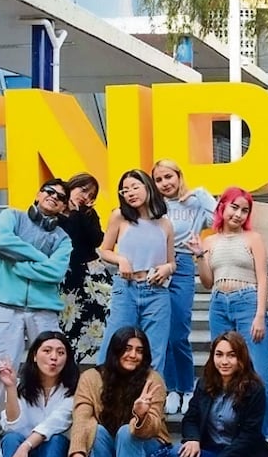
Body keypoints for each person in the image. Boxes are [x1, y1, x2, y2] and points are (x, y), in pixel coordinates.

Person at [0, 178, 71, 443]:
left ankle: (47, 416)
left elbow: (56, 271)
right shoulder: (12, 217)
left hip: (44, 307)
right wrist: (41, 257)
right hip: (7, 303)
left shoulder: (62, 238)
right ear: (39, 193)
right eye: (50, 191)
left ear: (64, 207)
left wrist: (21, 265)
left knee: (52, 364)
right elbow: (2, 243)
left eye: (61, 197)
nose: (54, 197)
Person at [187, 186, 268, 444]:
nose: (238, 214)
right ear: (222, 207)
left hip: (247, 300)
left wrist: (260, 315)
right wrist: (199, 256)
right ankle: (232, 429)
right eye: (234, 207)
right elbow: (206, 281)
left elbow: (262, 278)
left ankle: (265, 432)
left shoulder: (253, 239)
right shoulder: (210, 241)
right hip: (218, 303)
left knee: (259, 371)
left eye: (244, 210)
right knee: (225, 369)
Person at [68, 327, 171, 457]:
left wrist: (141, 415)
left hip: (147, 448)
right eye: (127, 348)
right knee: (94, 429)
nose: (133, 355)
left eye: (139, 350)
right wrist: (77, 450)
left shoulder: (153, 380)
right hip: (110, 451)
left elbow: (153, 428)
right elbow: (82, 416)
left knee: (127, 431)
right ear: (114, 350)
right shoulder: (91, 377)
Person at [152, 159, 217, 415]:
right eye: (159, 179)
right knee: (162, 333)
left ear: (179, 176)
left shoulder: (195, 201)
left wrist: (201, 195)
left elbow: (218, 218)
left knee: (179, 331)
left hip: (182, 263)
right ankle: (171, 389)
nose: (165, 183)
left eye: (169, 177)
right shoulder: (155, 206)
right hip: (156, 265)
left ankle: (187, 387)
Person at [96, 169, 175, 378]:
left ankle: (150, 402)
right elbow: (104, 250)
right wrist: (121, 259)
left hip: (157, 291)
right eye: (125, 190)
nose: (130, 193)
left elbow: (171, 261)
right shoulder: (119, 216)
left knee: (155, 350)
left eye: (134, 187)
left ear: (147, 187)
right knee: (113, 343)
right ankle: (102, 394)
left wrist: (167, 268)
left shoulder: (165, 223)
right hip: (127, 288)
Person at [58, 172, 111, 364]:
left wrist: (79, 212)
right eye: (83, 190)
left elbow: (97, 239)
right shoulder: (55, 211)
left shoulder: (88, 214)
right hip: (66, 275)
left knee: (106, 315)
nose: (86, 196)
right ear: (72, 185)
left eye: (91, 195)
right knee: (68, 323)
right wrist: (72, 214)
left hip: (92, 273)